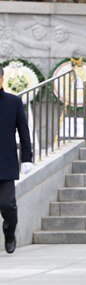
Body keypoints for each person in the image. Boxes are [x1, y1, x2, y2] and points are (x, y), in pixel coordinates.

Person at [0, 68, 33, 254]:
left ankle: (9, 232)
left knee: (7, 205)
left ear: (2, 79)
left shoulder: (13, 102)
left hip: (5, 163)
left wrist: (27, 158)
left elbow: (24, 131)